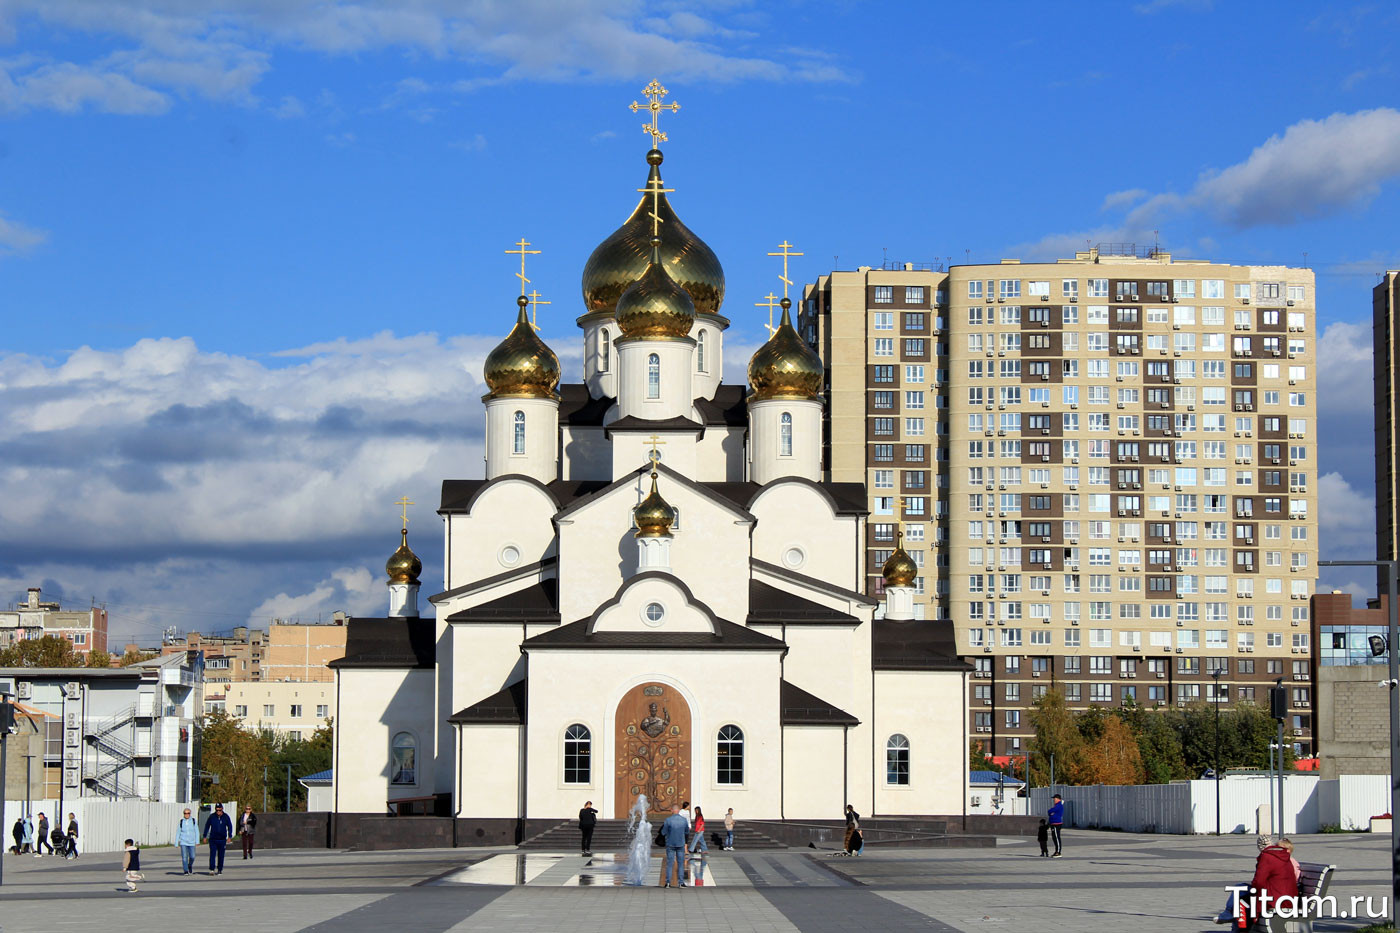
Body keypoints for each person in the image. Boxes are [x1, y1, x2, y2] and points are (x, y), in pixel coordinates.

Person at [660, 804, 689, 888]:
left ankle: (668, 882)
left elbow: (663, 832)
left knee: (670, 863)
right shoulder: (684, 820)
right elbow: (687, 831)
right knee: (680, 863)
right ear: (679, 810)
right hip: (680, 843)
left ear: (672, 810)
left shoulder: (668, 820)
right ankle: (681, 882)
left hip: (670, 843)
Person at [203, 803, 233, 874]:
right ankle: (212, 869)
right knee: (212, 854)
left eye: (219, 810)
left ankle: (220, 869)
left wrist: (230, 836)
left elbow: (230, 826)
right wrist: (205, 836)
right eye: (217, 810)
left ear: (222, 809)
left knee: (221, 855)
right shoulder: (212, 817)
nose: (218, 812)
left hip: (222, 839)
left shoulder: (226, 817)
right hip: (213, 839)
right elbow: (207, 826)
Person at [176, 807, 199, 875]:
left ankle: (190, 865)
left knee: (192, 856)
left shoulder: (193, 821)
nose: (186, 815)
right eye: (185, 813)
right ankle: (185, 870)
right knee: (184, 857)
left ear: (190, 814)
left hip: (192, 842)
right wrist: (176, 843)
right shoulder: (181, 822)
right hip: (183, 842)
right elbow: (178, 832)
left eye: (188, 813)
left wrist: (197, 841)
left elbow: (196, 831)